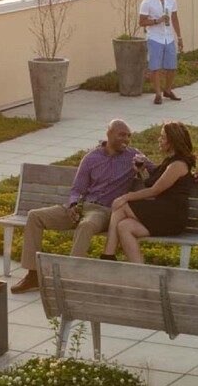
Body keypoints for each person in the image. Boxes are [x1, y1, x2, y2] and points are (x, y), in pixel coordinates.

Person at [10, 119, 148, 294]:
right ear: (109, 134)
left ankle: (68, 278)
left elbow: (160, 174)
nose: (126, 139)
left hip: (104, 211)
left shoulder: (133, 156)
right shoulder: (91, 158)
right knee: (34, 216)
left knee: (86, 225)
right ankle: (33, 275)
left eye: (129, 136)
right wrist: (74, 206)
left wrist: (191, 175)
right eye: (122, 134)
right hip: (81, 206)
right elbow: (77, 188)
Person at [101, 121, 196, 264]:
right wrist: (142, 171)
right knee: (124, 226)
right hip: (161, 212)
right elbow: (154, 184)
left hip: (172, 216)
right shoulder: (170, 161)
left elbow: (155, 190)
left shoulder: (178, 165)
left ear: (171, 141)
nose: (159, 140)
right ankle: (141, 271)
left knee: (121, 206)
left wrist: (125, 197)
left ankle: (108, 256)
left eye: (162, 137)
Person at [139, 0, 184, 105]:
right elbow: (141, 21)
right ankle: (158, 94)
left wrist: (179, 37)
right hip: (155, 38)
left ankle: (168, 90)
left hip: (168, 37)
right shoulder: (147, 2)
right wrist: (156, 21)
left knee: (172, 66)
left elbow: (175, 19)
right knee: (155, 67)